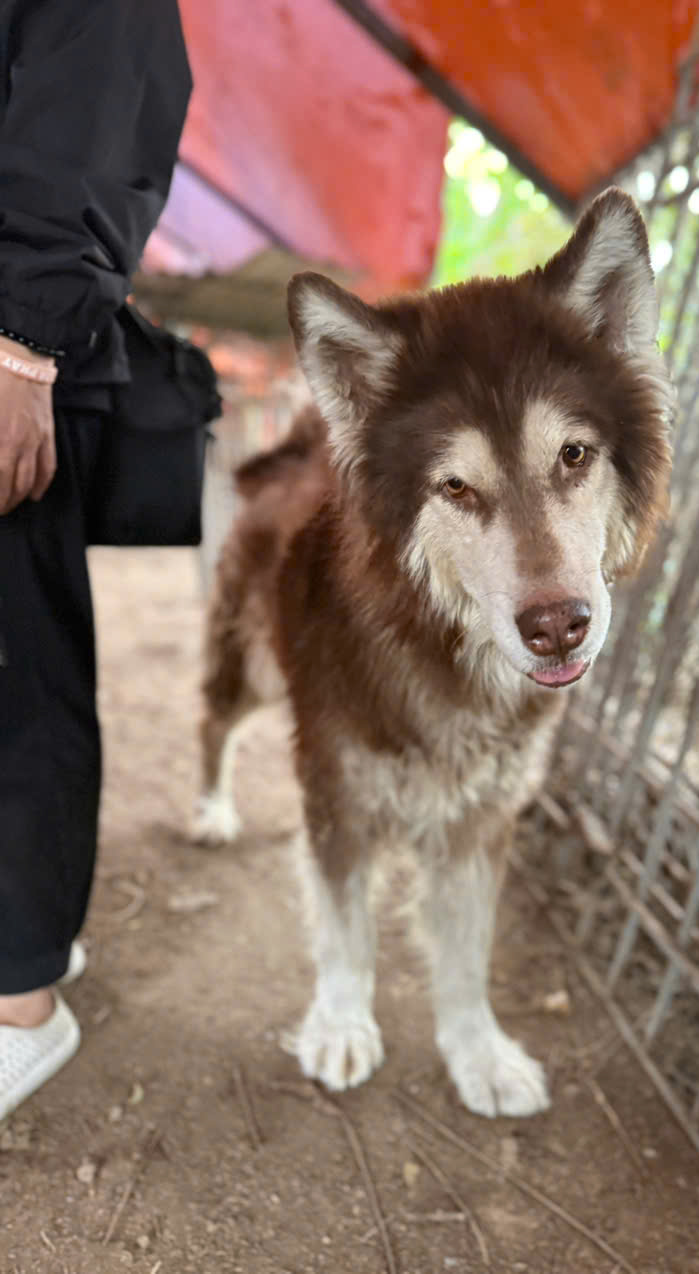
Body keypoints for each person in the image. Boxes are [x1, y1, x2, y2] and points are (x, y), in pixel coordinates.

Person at [0, 0, 193, 1119]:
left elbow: (100, 91)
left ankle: (23, 998)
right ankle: (21, 932)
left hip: (12, 345)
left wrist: (22, 344)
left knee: (14, 673)